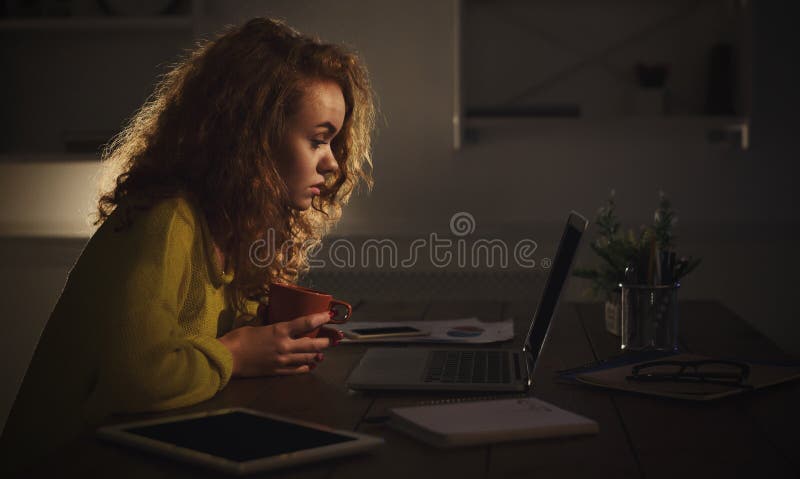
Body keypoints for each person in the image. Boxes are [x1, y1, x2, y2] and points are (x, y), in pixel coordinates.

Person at [0, 17, 375, 473]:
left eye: (334, 143)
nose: (333, 163)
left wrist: (274, 335)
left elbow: (206, 342)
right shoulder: (167, 218)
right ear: (250, 137)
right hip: (64, 459)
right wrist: (237, 354)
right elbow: (136, 379)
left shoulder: (239, 228)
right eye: (318, 140)